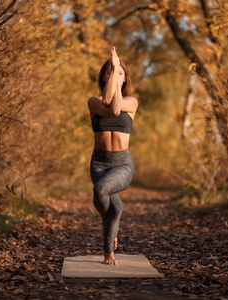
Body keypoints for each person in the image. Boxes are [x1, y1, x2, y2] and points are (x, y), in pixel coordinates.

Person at [88, 47, 138, 265]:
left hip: (122, 164)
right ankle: (110, 245)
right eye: (109, 72)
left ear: (125, 78)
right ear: (103, 77)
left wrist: (116, 67)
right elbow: (108, 104)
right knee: (115, 208)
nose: (115, 74)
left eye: (119, 72)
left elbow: (116, 110)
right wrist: (115, 68)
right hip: (99, 163)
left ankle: (109, 241)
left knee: (100, 190)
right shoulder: (93, 101)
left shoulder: (132, 102)